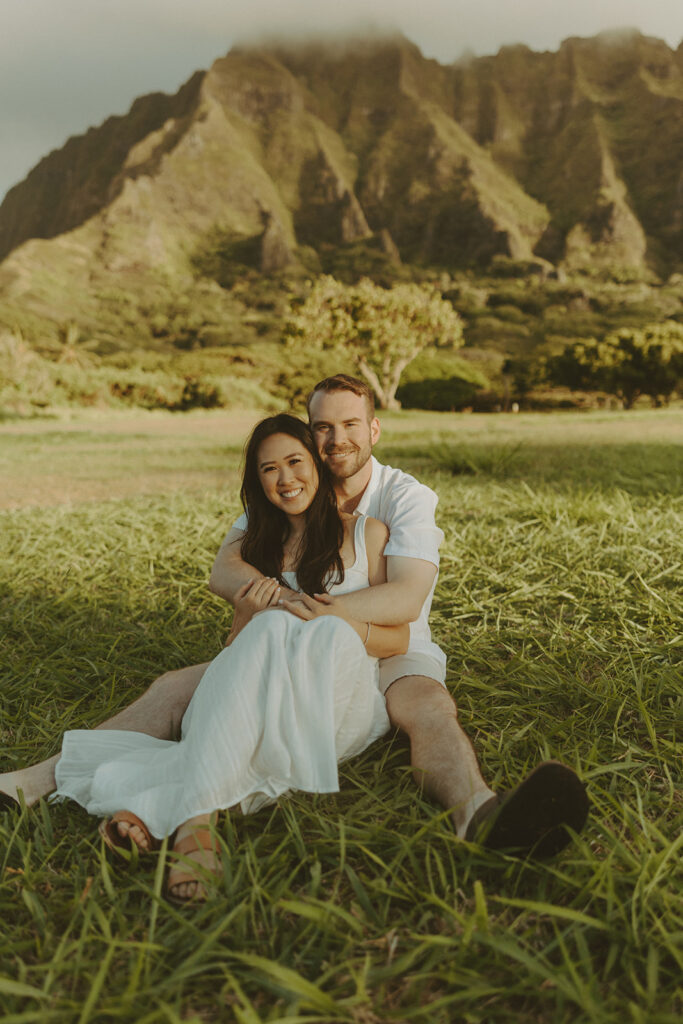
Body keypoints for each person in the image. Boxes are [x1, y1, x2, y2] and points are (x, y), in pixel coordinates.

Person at [0, 375, 588, 858]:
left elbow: (406, 599)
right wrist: (280, 605)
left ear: (373, 428)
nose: (337, 440)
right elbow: (227, 567)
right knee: (174, 688)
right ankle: (32, 783)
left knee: (427, 707)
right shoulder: (289, 487)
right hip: (287, 639)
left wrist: (320, 615)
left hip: (387, 646)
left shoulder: (401, 499)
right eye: (324, 428)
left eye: (350, 425)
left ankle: (479, 812)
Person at [51, 413, 409, 901]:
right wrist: (249, 615)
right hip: (264, 692)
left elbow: (398, 640)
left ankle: (164, 805)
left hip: (339, 695)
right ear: (256, 481)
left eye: (295, 462)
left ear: (318, 466)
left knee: (282, 624)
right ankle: (194, 826)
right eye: (268, 470)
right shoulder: (259, 547)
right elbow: (235, 652)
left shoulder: (368, 535)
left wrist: (326, 617)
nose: (285, 479)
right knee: (268, 631)